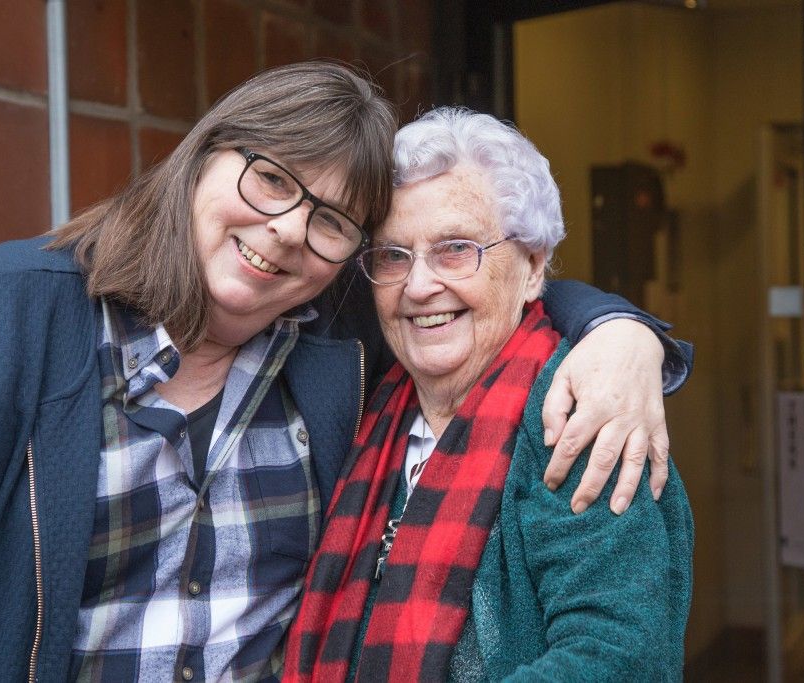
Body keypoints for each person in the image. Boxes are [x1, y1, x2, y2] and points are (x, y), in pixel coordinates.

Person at [0, 63, 687, 681]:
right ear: (201, 158)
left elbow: (486, 288)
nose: (288, 230)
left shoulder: (339, 348)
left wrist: (620, 333)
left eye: (329, 222)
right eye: (272, 179)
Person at [284, 108, 693, 682]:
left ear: (532, 266)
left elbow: (618, 658)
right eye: (394, 255)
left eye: (456, 248)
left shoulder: (578, 414)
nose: (420, 285)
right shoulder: (365, 403)